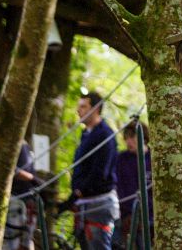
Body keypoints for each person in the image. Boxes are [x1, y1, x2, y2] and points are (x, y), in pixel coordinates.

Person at [61, 91, 119, 250]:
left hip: (99, 203)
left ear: (96, 109)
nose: (78, 110)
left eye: (83, 107)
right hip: (85, 203)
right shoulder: (86, 133)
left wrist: (77, 194)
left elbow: (100, 173)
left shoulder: (105, 135)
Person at [113, 121, 152, 250]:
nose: (128, 142)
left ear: (143, 137)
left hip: (150, 218)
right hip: (125, 217)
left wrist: (143, 214)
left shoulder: (155, 159)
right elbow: (118, 188)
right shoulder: (121, 159)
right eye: (126, 138)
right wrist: (129, 214)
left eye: (132, 137)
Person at [3, 141, 37, 250]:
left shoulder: (25, 146)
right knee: (11, 244)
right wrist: (32, 178)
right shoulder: (7, 141)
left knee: (26, 244)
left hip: (27, 204)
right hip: (13, 203)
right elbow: (6, 167)